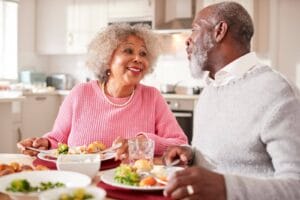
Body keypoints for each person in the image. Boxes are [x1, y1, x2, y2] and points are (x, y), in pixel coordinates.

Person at [163, 2, 300, 200]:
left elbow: (296, 186)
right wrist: (192, 154)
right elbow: (229, 153)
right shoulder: (212, 86)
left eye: (194, 30)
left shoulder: (278, 92)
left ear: (219, 31)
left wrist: (226, 188)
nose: (188, 40)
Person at [17, 23, 188, 159]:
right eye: (128, 50)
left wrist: (143, 142)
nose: (138, 58)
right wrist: (43, 144)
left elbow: (180, 144)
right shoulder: (80, 93)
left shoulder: (152, 97)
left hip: (129, 183)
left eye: (143, 53)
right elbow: (57, 141)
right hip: (82, 182)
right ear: (107, 58)